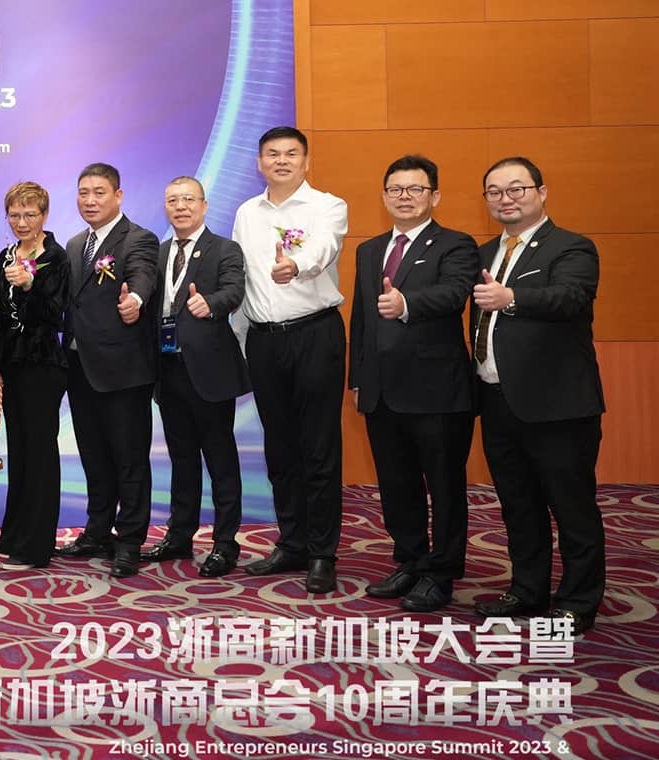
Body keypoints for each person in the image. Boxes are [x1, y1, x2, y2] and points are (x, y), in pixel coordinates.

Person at [468, 157, 606, 635]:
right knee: (518, 503)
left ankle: (578, 600)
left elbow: (571, 297)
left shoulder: (571, 247)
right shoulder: (486, 252)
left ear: (541, 193)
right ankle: (527, 589)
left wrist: (512, 299)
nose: (505, 199)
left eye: (516, 189)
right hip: (497, 399)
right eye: (494, 192)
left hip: (557, 405)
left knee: (571, 506)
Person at [349, 155, 479, 612]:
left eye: (415, 189)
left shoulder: (456, 244)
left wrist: (407, 304)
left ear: (434, 196)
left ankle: (441, 573)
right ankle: (410, 559)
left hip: (436, 390)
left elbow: (455, 293)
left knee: (444, 486)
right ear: (384, 196)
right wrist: (358, 379)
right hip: (381, 390)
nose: (404, 197)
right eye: (395, 189)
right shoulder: (369, 250)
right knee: (396, 484)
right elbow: (361, 320)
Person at [231, 126, 349, 595]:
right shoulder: (246, 212)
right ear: (259, 162)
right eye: (272, 154)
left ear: (306, 161)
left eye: (291, 153)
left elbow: (324, 249)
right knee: (280, 448)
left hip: (314, 333)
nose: (281, 160)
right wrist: (238, 342)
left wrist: (296, 266)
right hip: (263, 340)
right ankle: (292, 541)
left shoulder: (327, 206)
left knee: (318, 447)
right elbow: (241, 280)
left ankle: (322, 553)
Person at [54, 163, 160, 578]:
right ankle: (97, 530)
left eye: (99, 192)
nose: (90, 200)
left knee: (129, 458)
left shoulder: (138, 238)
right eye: (83, 192)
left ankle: (130, 540)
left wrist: (135, 300)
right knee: (94, 456)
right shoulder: (75, 243)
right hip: (80, 367)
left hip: (123, 369)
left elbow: (143, 276)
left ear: (118, 195)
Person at [145, 176, 249, 578]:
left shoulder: (225, 249)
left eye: (188, 199)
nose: (181, 206)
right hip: (168, 370)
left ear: (204, 206)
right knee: (181, 458)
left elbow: (234, 290)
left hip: (209, 372)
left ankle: (225, 544)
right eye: (173, 200)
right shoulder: (157, 253)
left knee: (220, 460)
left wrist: (212, 303)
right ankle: (179, 535)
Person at [0, 182, 69, 568]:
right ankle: (15, 536)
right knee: (19, 452)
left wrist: (31, 284)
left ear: (44, 216)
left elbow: (56, 313)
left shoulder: (56, 257)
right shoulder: (5, 256)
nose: (22, 222)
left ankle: (37, 545)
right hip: (12, 366)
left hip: (43, 365)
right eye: (15, 215)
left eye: (30, 215)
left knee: (40, 453)